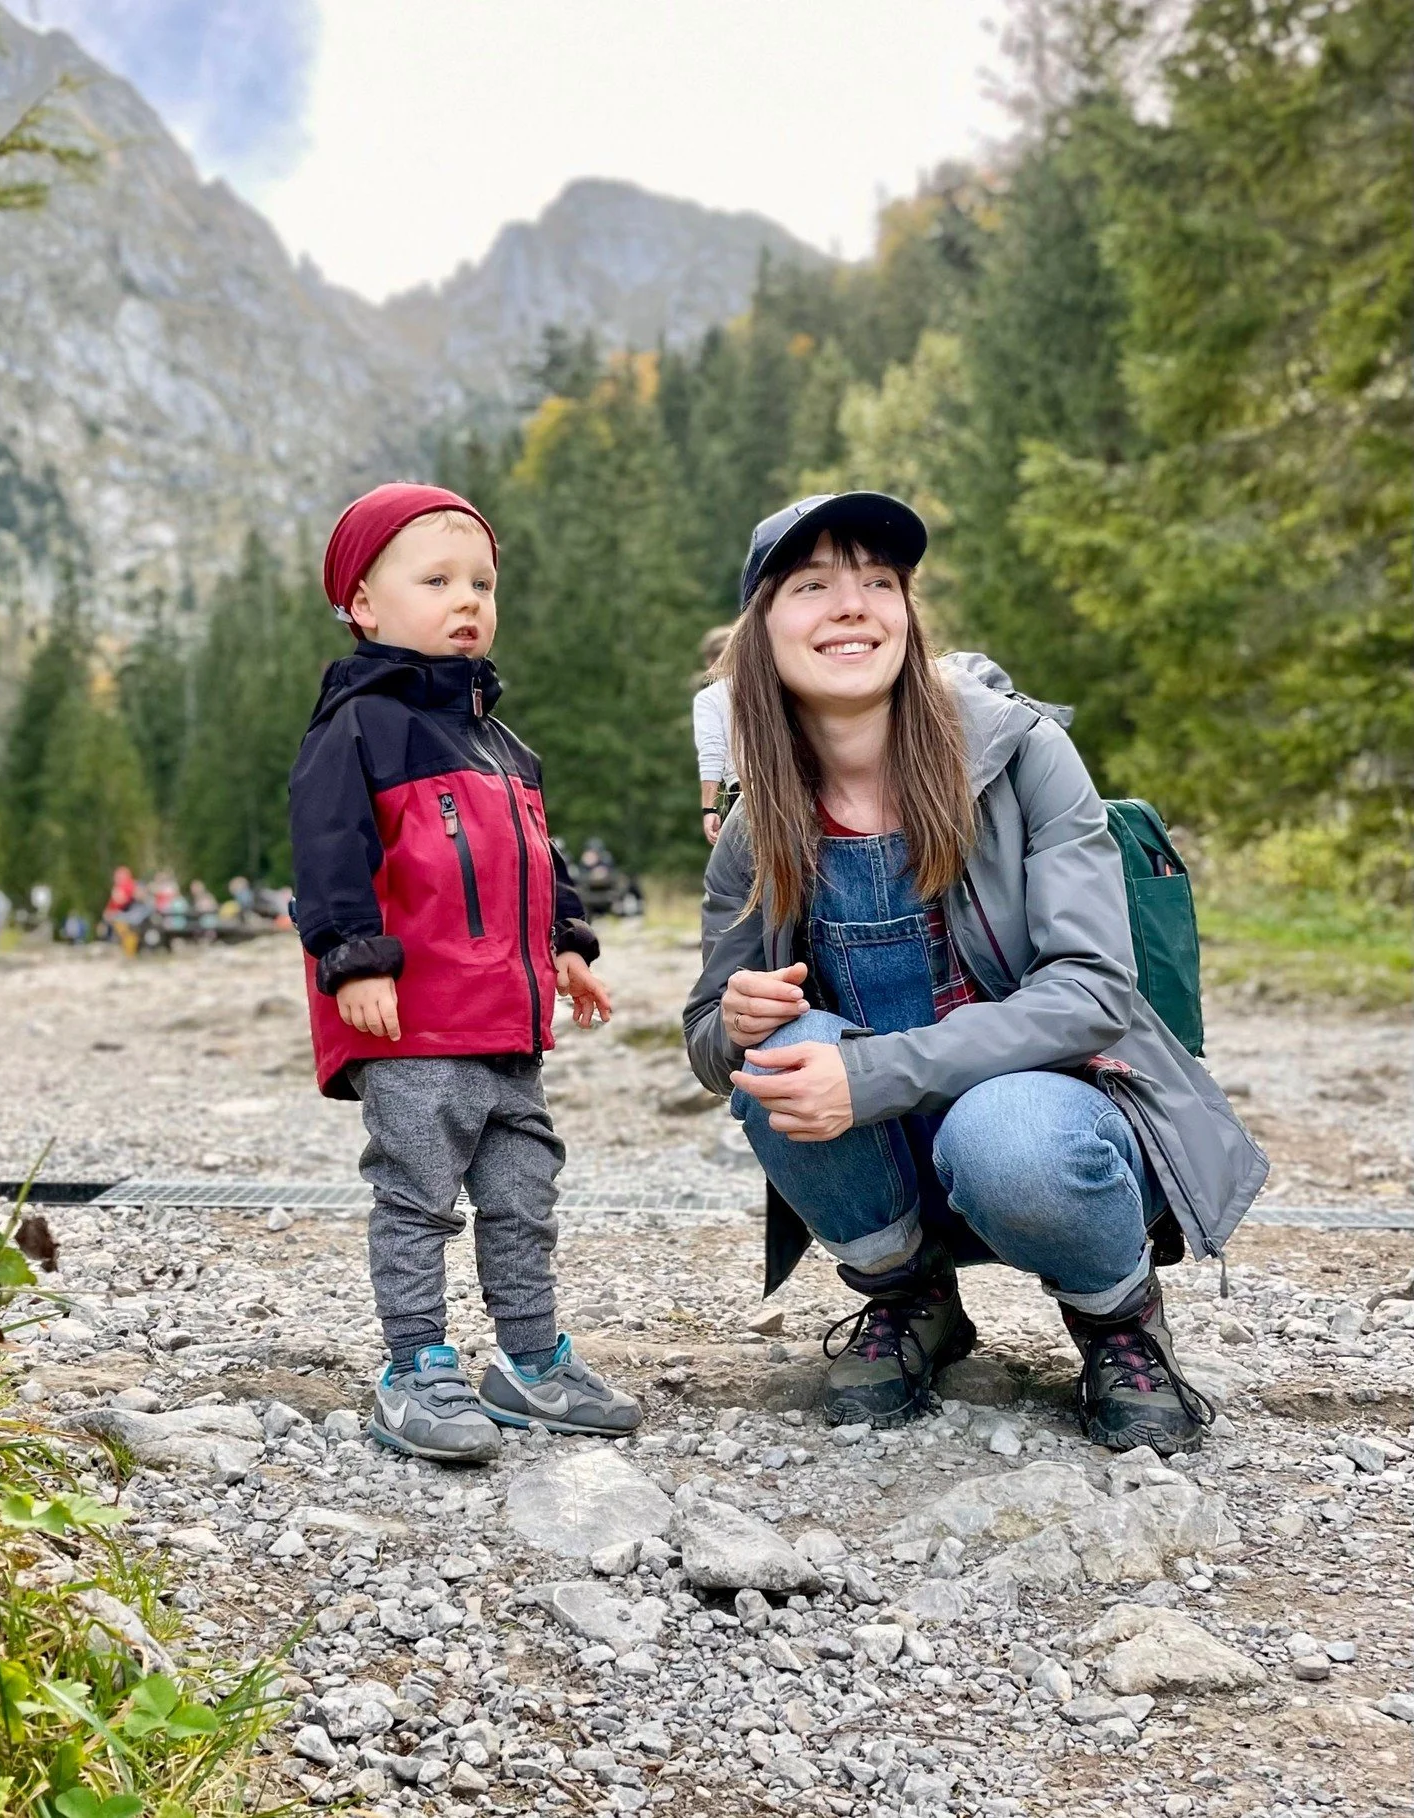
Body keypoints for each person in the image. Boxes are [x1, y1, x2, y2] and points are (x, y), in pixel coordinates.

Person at [684, 490, 1267, 1454]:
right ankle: (911, 1301)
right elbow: (708, 1038)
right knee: (779, 1054)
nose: (852, 604)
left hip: (1049, 1115)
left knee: (1007, 1134)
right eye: (812, 585)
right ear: (762, 632)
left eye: (879, 582)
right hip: (880, 1143)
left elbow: (1092, 992)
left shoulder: (1021, 754)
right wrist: (735, 1023)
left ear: (907, 619)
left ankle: (1117, 1319)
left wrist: (866, 1073)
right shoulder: (757, 826)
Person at [290, 482, 641, 1465]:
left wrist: (569, 941)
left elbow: (539, 857)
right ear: (362, 605)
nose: (468, 600)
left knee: (525, 1194)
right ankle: (415, 1363)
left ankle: (529, 1359)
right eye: (436, 579)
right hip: (414, 1024)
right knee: (417, 1196)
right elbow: (328, 851)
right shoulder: (358, 726)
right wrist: (353, 957)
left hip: (508, 1026)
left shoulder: (505, 746)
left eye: (481, 582)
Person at [693, 624, 738, 846]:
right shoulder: (774, 687)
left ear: (711, 662)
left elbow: (712, 752)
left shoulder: (710, 698)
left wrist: (709, 808)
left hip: (743, 796)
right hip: (795, 790)